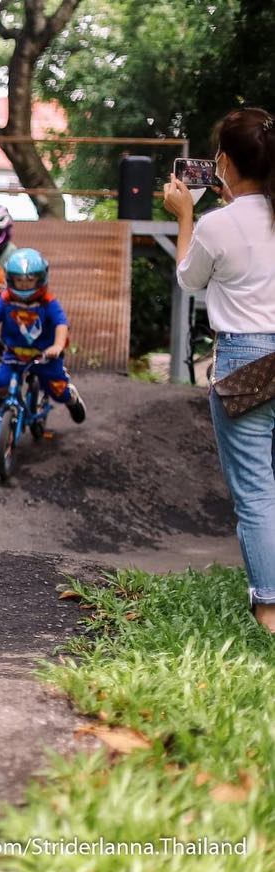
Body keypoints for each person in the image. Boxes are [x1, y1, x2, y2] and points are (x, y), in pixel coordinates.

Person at [164, 107, 275, 631]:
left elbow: (189, 278)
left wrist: (186, 215)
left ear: (223, 162)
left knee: (256, 490)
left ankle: (270, 612)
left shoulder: (217, 224)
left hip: (246, 362)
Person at [0, 248, 88, 425]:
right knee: (0, 381)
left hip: (45, 355)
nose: (24, 285)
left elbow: (61, 324)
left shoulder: (47, 302)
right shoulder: (6, 300)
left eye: (30, 281)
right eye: (19, 280)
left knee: (57, 390)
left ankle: (72, 399)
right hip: (14, 353)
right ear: (10, 279)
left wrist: (57, 346)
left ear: (40, 279)